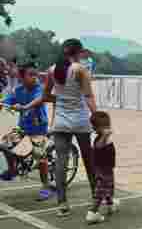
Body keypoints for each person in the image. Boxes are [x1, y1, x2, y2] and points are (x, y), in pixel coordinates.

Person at [27, 38, 98, 216]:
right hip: (80, 121)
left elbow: (46, 96)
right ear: (79, 53)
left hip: (61, 121)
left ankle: (62, 205)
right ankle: (96, 197)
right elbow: (88, 96)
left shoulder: (52, 70)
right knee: (89, 159)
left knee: (61, 161)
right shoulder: (80, 70)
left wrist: (61, 99)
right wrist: (96, 117)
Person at [0, 63, 51, 198]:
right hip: (22, 128)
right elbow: (7, 101)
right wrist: (2, 104)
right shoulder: (18, 90)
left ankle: (46, 186)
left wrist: (24, 107)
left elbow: (38, 101)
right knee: (4, 145)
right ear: (21, 77)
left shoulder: (40, 89)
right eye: (31, 74)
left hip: (38, 130)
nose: (35, 77)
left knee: (40, 157)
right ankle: (12, 170)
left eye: (35, 74)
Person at [86, 111, 118, 224]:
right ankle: (92, 212)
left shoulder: (101, 137)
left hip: (106, 167)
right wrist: (105, 135)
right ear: (98, 128)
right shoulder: (101, 139)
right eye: (105, 126)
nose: (108, 128)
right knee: (101, 189)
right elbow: (99, 147)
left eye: (108, 125)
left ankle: (110, 204)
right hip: (103, 169)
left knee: (109, 186)